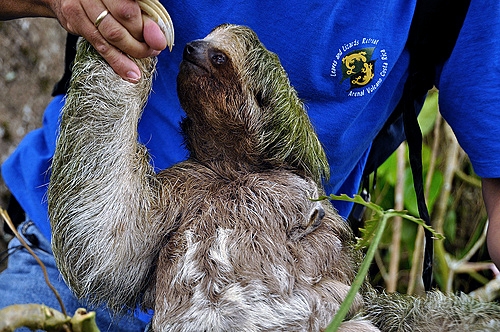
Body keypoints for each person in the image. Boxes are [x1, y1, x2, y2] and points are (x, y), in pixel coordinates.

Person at [1, 0, 500, 330]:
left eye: (220, 63)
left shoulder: (459, 9)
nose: (194, 51)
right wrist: (102, 32)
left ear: (258, 105)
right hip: (72, 259)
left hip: (297, 282)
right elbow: (102, 258)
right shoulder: (175, 195)